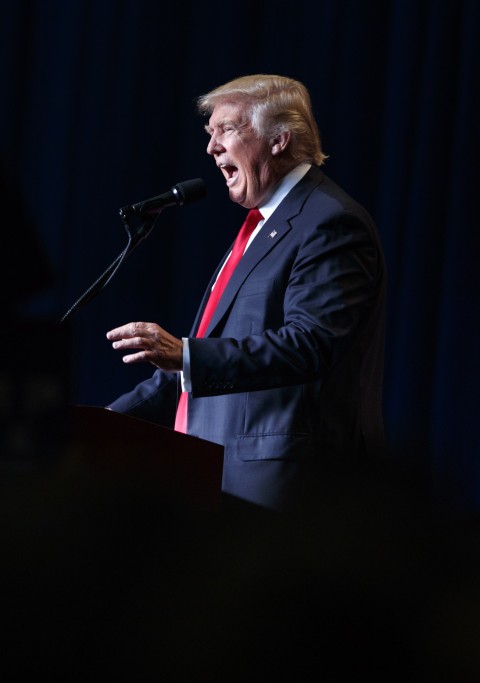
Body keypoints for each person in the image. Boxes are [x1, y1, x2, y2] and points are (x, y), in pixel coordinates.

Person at [105, 74, 386, 510]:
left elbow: (310, 344)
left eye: (227, 130)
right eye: (209, 133)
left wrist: (186, 354)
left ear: (279, 140)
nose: (211, 147)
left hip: (277, 492)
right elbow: (199, 362)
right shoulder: (258, 229)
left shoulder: (329, 222)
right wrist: (101, 423)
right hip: (208, 478)